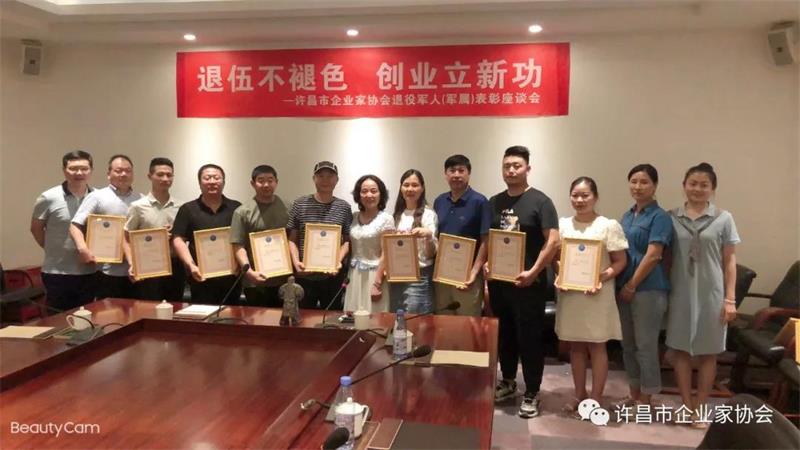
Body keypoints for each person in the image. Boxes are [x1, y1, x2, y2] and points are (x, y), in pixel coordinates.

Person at [666, 162, 739, 428]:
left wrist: (730, 299)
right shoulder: (671, 217)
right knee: (681, 351)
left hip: (712, 293)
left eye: (704, 185)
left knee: (709, 353)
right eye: (692, 183)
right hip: (680, 292)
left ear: (713, 189)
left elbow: (730, 261)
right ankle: (686, 405)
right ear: (684, 186)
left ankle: (701, 407)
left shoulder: (724, 219)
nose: (697, 189)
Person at [489, 145, 559, 419]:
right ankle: (508, 381)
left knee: (529, 338)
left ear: (528, 168)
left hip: (530, 284)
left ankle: (532, 391)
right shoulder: (494, 202)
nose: (511, 170)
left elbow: (553, 241)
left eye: (516, 166)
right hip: (500, 283)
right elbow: (491, 239)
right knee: (505, 334)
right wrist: (487, 264)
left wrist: (533, 271)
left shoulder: (541, 201)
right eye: (506, 166)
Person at [554, 177, 628, 417]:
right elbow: (556, 259)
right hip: (571, 295)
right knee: (575, 346)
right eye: (575, 195)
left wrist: (601, 278)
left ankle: (595, 397)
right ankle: (579, 393)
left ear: (595, 197)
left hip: (597, 294)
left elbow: (620, 261)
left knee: (597, 346)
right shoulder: (563, 225)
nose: (579, 200)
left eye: (585, 195)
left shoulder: (608, 225)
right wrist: (560, 276)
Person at [615, 164, 672, 408]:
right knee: (627, 346)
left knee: (646, 346)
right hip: (624, 288)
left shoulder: (660, 217)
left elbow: (654, 255)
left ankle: (647, 399)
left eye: (644, 182)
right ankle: (633, 394)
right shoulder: (627, 216)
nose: (638, 186)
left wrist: (632, 284)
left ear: (655, 185)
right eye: (634, 181)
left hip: (648, 289)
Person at [30, 150, 97, 310]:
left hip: (91, 271)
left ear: (91, 171)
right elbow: (36, 228)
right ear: (64, 170)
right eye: (73, 168)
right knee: (59, 319)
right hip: (58, 272)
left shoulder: (97, 197)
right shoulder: (48, 197)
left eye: (84, 168)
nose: (79, 173)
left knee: (88, 317)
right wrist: (52, 249)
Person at [70, 154, 142, 299]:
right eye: (118, 171)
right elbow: (75, 225)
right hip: (106, 272)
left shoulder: (141, 199)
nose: (123, 174)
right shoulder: (97, 197)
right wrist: (83, 249)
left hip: (137, 271)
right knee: (108, 312)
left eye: (128, 171)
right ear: (108, 174)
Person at [172, 164, 242, 304]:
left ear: (224, 182)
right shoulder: (188, 209)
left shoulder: (236, 208)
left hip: (231, 277)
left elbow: (243, 240)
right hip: (200, 277)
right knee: (202, 315)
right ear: (199, 182)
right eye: (207, 178)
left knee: (232, 315)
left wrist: (240, 263)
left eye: (216, 178)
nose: (212, 181)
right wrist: (191, 265)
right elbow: (178, 239)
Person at [287, 161, 352, 309]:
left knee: (331, 318)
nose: (325, 180)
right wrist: (296, 262)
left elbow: (347, 241)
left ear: (337, 180)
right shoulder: (299, 204)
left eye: (330, 176)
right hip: (305, 275)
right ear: (313, 179)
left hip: (332, 277)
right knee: (303, 318)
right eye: (321, 176)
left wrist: (337, 261)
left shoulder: (344, 207)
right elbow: (292, 239)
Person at [432, 154, 492, 316]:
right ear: (445, 174)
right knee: (443, 321)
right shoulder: (439, 201)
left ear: (469, 173)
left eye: (461, 170)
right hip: (442, 275)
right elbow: (435, 237)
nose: (456, 175)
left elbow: (486, 240)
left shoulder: (480, 201)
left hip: (468, 276)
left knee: (467, 322)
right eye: (452, 171)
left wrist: (474, 272)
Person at [124, 157, 184, 301]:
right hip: (148, 265)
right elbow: (126, 238)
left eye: (169, 175)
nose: (165, 179)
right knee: (148, 308)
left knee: (175, 308)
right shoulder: (138, 206)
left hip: (175, 265)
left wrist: (175, 232)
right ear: (150, 176)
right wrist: (132, 264)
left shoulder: (182, 207)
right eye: (160, 174)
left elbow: (184, 238)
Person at [230, 165, 290, 307]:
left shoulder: (288, 208)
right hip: (255, 281)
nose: (266, 185)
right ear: (253, 183)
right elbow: (238, 246)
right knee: (257, 319)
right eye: (261, 180)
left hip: (284, 280)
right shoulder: (242, 212)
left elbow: (293, 240)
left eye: (270, 180)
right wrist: (249, 272)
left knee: (284, 319)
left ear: (276, 182)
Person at [386, 169, 438, 314]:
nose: (410, 189)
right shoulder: (396, 215)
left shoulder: (429, 215)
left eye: (415, 185)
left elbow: (430, 254)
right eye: (406, 185)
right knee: (396, 318)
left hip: (419, 276)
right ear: (401, 188)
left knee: (415, 319)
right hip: (397, 276)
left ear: (422, 188)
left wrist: (428, 236)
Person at [343, 174, 394, 313]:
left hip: (375, 275)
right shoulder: (354, 216)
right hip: (354, 275)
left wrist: (377, 283)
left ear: (381, 194)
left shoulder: (386, 219)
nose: (369, 195)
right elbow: (348, 244)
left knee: (375, 319)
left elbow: (386, 253)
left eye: (373, 191)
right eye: (364, 191)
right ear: (358, 195)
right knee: (352, 317)